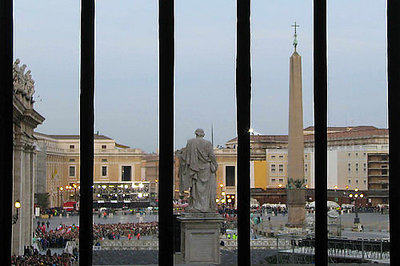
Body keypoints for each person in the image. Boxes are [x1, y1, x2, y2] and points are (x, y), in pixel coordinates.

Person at [179, 128, 218, 213]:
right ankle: (206, 206)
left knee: (195, 188)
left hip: (195, 168)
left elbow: (185, 156)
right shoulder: (208, 143)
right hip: (206, 169)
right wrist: (215, 164)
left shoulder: (190, 142)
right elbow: (211, 155)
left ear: (196, 134)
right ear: (203, 134)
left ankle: (195, 205)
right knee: (206, 190)